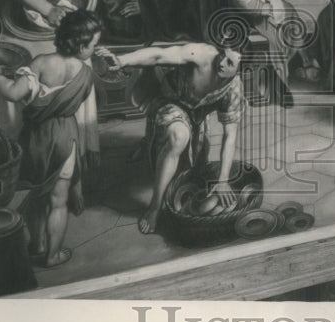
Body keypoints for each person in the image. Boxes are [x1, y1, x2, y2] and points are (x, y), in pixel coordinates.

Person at [0, 10, 104, 267]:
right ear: (80, 44)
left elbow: (13, 93)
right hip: (66, 138)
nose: (95, 50)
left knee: (37, 195)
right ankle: (53, 254)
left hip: (36, 139)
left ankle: (37, 243)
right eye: (94, 45)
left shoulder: (41, 63)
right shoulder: (84, 71)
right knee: (58, 200)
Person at [99, 42, 243, 235]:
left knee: (194, 171)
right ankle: (155, 208)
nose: (222, 63)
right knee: (178, 137)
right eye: (223, 56)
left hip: (197, 115)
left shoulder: (234, 89)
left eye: (230, 63)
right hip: (170, 100)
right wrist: (122, 60)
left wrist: (223, 180)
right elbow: (160, 55)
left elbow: (230, 135)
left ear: (241, 68)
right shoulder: (201, 53)